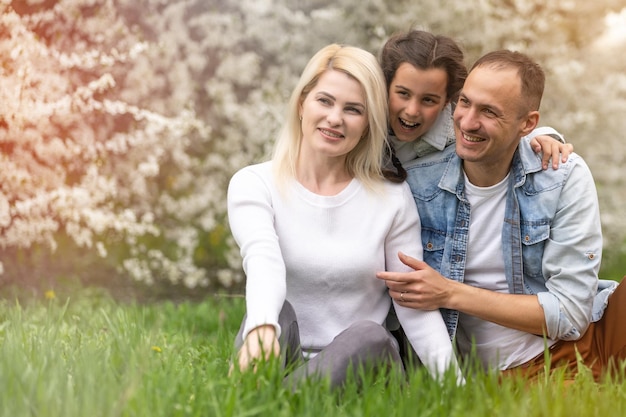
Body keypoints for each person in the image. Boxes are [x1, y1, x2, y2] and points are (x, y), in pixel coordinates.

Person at [377, 49, 625, 381]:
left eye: (489, 112)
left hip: (594, 333)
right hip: (516, 370)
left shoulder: (560, 174)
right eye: (464, 103)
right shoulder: (419, 185)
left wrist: (450, 292)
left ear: (528, 123)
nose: (467, 121)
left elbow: (571, 313)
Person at [227, 43, 462, 389]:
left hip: (362, 370)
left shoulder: (392, 197)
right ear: (301, 103)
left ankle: (275, 406)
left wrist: (455, 389)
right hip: (279, 353)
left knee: (370, 336)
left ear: (368, 124)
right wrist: (262, 327)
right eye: (325, 101)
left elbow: (413, 305)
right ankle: (280, 397)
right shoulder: (255, 183)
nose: (335, 118)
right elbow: (263, 259)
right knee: (277, 312)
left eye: (353, 109)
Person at [378, 29, 571, 182]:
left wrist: (543, 137)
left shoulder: (458, 129)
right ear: (386, 87)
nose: (412, 111)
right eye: (403, 93)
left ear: (447, 101)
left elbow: (506, 129)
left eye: (428, 100)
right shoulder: (365, 118)